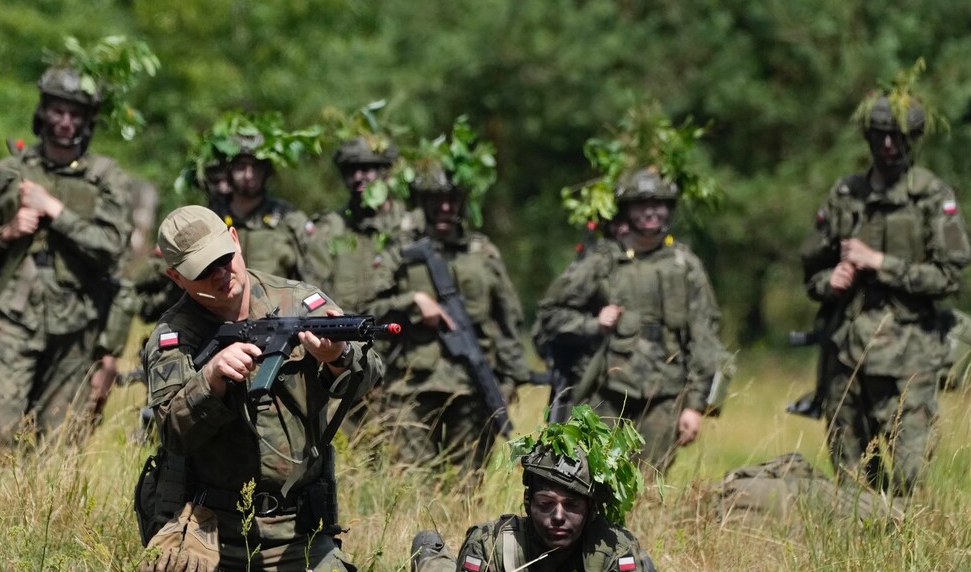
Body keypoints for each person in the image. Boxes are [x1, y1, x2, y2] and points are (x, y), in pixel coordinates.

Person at [138, 205, 383, 572]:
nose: (221, 275)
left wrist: (337, 358)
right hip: (210, 530)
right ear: (176, 278)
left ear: (235, 240)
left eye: (223, 258)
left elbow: (371, 374)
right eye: (203, 270)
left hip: (296, 533)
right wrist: (210, 380)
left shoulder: (299, 301)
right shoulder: (176, 334)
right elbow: (172, 431)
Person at [800, 91, 970, 496]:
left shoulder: (930, 196)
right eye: (880, 135)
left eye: (898, 136)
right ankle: (859, 553)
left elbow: (949, 276)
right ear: (869, 138)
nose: (889, 145)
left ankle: (905, 550)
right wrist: (833, 281)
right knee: (852, 477)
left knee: (911, 474)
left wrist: (880, 262)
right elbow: (812, 272)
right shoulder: (846, 195)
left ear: (913, 138)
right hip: (847, 354)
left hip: (910, 357)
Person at [0, 65, 132, 451]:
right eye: (57, 110)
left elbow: (111, 247)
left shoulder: (106, 178)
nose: (65, 122)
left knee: (60, 445)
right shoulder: (8, 173)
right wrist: (7, 233)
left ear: (88, 120)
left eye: (75, 114)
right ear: (43, 112)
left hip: (76, 325)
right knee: (0, 433)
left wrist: (55, 211)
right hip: (11, 319)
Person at [533, 167, 726, 475]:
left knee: (647, 483)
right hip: (605, 391)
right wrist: (593, 324)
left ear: (670, 209)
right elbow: (550, 316)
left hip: (664, 396)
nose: (650, 212)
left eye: (658, 204)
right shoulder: (601, 261)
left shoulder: (685, 266)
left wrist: (696, 405)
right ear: (625, 210)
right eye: (640, 205)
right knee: (590, 478)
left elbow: (705, 339)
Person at [375, 144, 531, 471]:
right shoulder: (398, 250)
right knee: (410, 483)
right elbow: (366, 307)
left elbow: (509, 320)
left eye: (452, 200)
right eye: (436, 200)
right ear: (423, 202)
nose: (445, 208)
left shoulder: (483, 252)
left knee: (467, 486)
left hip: (472, 385)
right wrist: (413, 304)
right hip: (411, 385)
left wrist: (510, 381)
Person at [409, 440, 681, 572]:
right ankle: (430, 552)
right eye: (546, 504)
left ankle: (644, 569)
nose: (559, 516)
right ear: (528, 504)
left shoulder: (613, 548)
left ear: (591, 510)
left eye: (572, 506)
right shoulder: (489, 543)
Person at [306, 136, 419, 315]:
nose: (358, 177)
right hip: (344, 337)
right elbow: (312, 294)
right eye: (351, 170)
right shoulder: (329, 228)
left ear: (385, 172)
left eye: (366, 168)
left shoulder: (411, 228)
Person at [216, 127, 315, 283]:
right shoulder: (213, 220)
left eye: (257, 166)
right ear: (229, 170)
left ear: (267, 171)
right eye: (241, 166)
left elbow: (313, 278)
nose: (249, 175)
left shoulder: (290, 220)